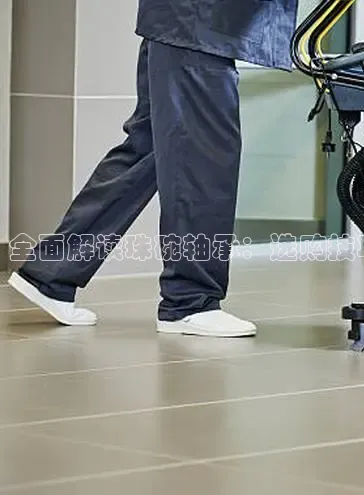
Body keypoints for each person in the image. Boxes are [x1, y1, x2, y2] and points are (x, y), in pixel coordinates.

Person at [8, 0, 299, 338]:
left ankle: (51, 274)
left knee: (147, 153)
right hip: (197, 28)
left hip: (182, 25)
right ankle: (190, 301)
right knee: (203, 162)